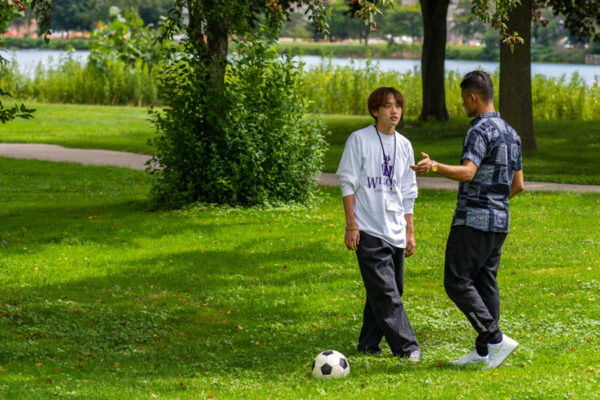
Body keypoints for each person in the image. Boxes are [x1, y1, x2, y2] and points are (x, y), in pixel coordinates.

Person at [411, 70, 524, 369]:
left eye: (463, 99)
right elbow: (519, 185)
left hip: (473, 220)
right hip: (499, 223)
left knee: (457, 281)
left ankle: (496, 339)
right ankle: (484, 352)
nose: (463, 104)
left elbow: (468, 172)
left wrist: (434, 167)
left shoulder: (479, 130)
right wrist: (495, 203)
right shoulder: (512, 133)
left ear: (474, 97)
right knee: (485, 282)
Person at [336, 87, 421, 361]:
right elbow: (347, 181)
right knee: (386, 294)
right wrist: (351, 225)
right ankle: (408, 349)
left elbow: (408, 190)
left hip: (395, 229)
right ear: (375, 111)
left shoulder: (405, 145)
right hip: (368, 229)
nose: (394, 111)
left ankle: (368, 345)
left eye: (398, 106)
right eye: (387, 106)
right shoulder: (359, 140)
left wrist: (409, 230)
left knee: (388, 291)